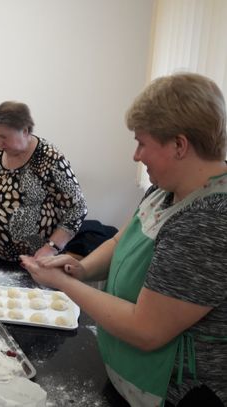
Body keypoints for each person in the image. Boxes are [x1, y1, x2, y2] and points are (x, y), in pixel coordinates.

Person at [21, 73, 227, 406]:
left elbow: (146, 330)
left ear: (179, 145)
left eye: (142, 143)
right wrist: (81, 268)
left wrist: (63, 284)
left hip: (176, 395)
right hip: (128, 378)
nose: (136, 155)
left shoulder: (208, 220)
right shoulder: (163, 191)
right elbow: (121, 241)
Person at [0, 101, 87, 267]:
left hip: (38, 260)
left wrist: (51, 247)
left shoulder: (49, 158)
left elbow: (78, 207)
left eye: (4, 137)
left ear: (25, 131)